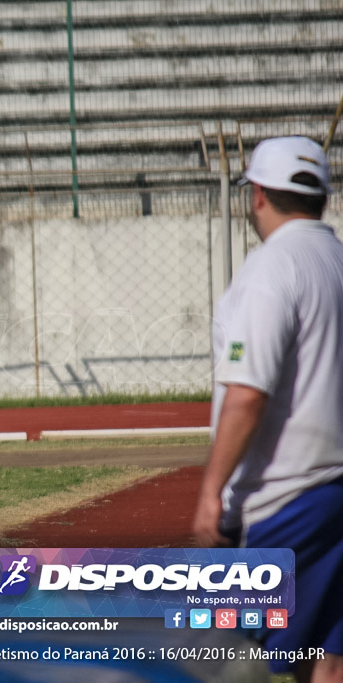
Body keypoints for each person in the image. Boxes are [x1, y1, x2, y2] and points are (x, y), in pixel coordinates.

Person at [192, 136, 343, 683]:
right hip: (334, 493)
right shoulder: (336, 260)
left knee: (209, 655)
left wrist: (212, 492)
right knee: (324, 662)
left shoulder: (270, 271)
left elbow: (248, 392)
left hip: (280, 501)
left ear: (257, 194)